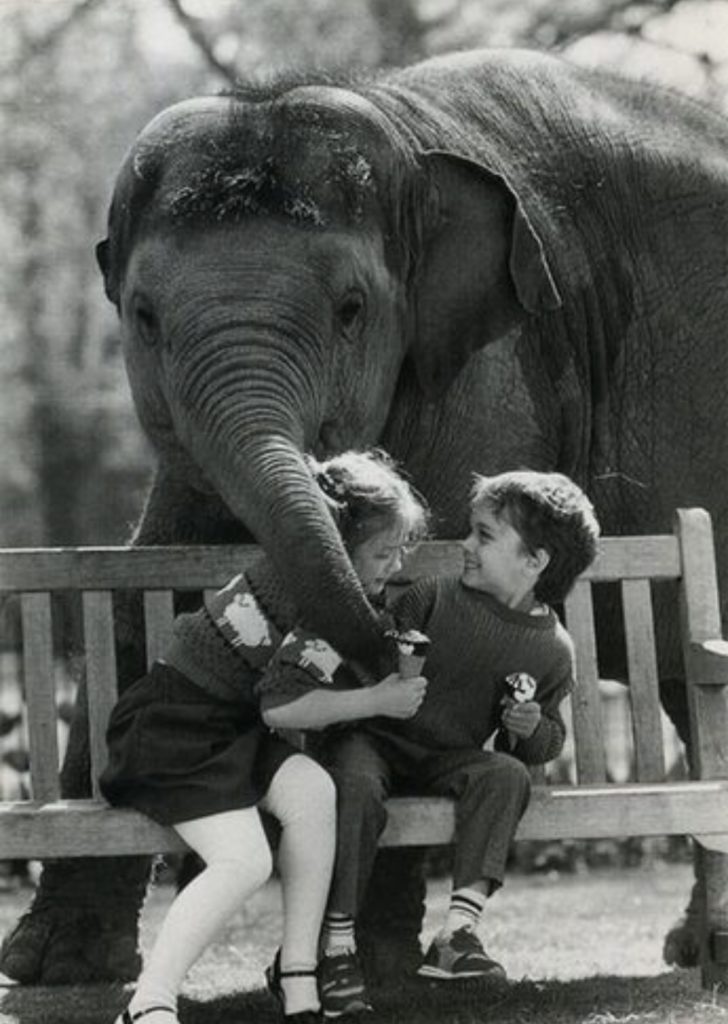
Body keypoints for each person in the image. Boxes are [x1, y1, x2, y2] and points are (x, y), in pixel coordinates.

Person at [99, 449, 430, 1024]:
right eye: (382, 552)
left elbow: (270, 700)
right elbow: (282, 708)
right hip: (174, 729)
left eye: (400, 551)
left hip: (229, 730)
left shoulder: (320, 580)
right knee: (244, 860)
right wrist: (378, 700)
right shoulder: (324, 597)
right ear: (336, 546)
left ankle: (299, 978)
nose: (393, 565)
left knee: (312, 792)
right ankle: (149, 999)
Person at [259, 470, 600, 1017]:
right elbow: (365, 651)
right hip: (373, 740)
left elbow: (545, 745)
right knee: (355, 785)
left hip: (446, 756)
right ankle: (337, 944)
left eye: (484, 537)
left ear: (534, 563)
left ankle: (458, 935)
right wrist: (387, 661)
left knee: (506, 775)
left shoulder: (552, 650)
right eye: (472, 531)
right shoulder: (433, 595)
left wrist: (529, 725)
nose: (465, 545)